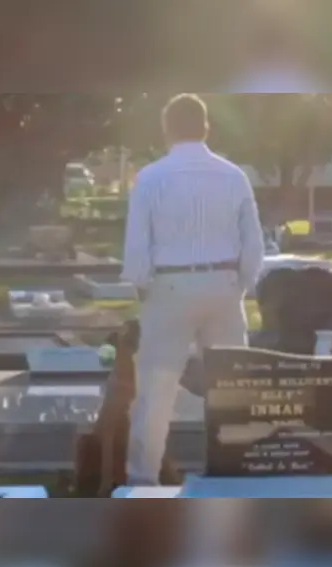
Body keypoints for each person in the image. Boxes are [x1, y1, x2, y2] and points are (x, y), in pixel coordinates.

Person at [120, 93, 265, 486]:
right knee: (232, 386)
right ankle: (234, 473)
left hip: (169, 284)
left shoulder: (150, 178)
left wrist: (141, 285)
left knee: (156, 389)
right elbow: (253, 243)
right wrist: (241, 286)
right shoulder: (234, 175)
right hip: (223, 284)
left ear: (167, 129)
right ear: (206, 127)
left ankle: (143, 480)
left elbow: (137, 245)